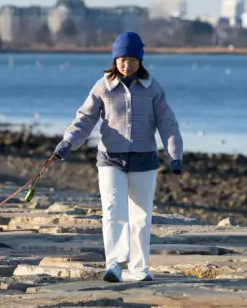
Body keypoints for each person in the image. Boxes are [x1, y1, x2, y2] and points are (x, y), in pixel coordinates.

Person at [54, 31, 183, 282]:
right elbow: (85, 119)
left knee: (142, 216)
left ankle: (140, 267)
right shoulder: (103, 87)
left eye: (133, 59)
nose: (127, 64)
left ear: (141, 61)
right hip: (110, 158)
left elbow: (168, 124)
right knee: (113, 210)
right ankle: (114, 264)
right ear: (115, 59)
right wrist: (68, 142)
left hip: (144, 158)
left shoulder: (152, 88)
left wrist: (175, 155)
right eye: (122, 59)